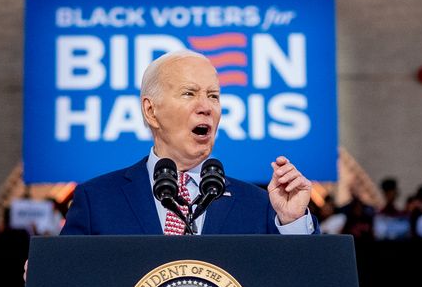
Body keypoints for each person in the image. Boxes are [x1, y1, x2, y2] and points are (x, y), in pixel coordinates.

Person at [59, 51, 314, 236]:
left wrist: (292, 222)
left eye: (213, 96)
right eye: (189, 93)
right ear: (151, 111)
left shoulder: (260, 206)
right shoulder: (97, 201)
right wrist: (46, 279)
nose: (206, 107)